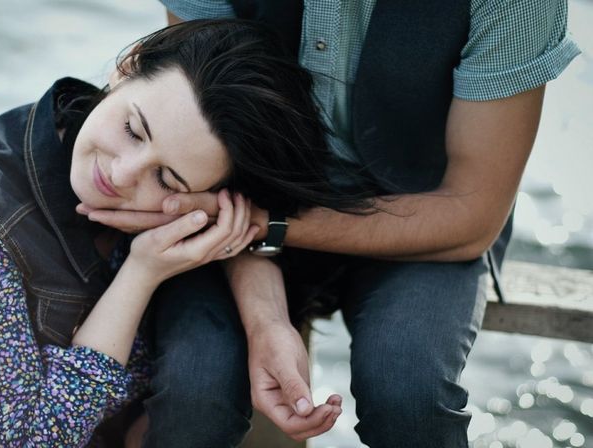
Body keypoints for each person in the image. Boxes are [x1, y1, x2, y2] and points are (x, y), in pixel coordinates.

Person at [81, 1, 582, 446]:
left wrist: (269, 226)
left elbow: (470, 216)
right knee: (196, 393)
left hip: (426, 217)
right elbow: (195, 148)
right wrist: (265, 317)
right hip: (236, 204)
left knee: (410, 393)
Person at [0, 19, 371, 447]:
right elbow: (33, 440)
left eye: (166, 178)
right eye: (133, 129)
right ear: (126, 69)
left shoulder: (181, 220)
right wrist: (140, 273)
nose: (122, 174)